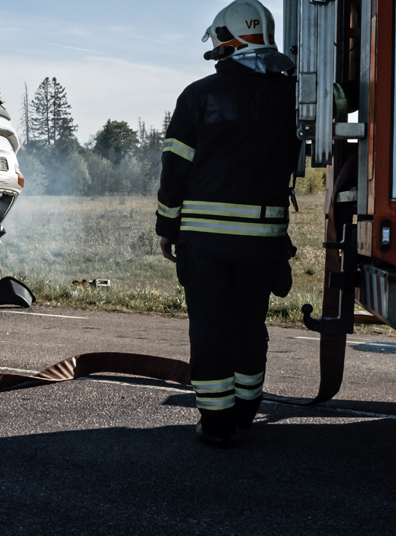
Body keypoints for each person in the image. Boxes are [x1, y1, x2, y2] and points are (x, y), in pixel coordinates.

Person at [155, 0, 302, 447]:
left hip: (205, 242)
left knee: (211, 326)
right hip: (263, 240)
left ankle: (216, 422)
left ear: (225, 40)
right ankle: (245, 411)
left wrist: (167, 226)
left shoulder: (199, 95)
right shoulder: (291, 95)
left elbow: (175, 168)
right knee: (249, 325)